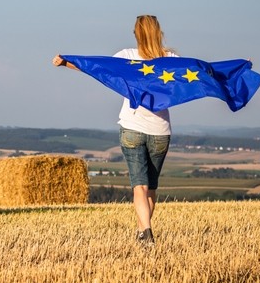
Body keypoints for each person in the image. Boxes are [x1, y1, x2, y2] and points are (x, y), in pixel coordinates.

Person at [52, 15, 176, 245]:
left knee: (139, 185)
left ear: (136, 34)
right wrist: (235, 70)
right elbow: (202, 73)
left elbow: (96, 68)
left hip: (132, 128)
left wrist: (66, 62)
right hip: (161, 131)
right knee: (150, 188)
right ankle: (143, 234)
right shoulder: (171, 60)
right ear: (159, 32)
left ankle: (145, 231)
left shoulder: (126, 57)